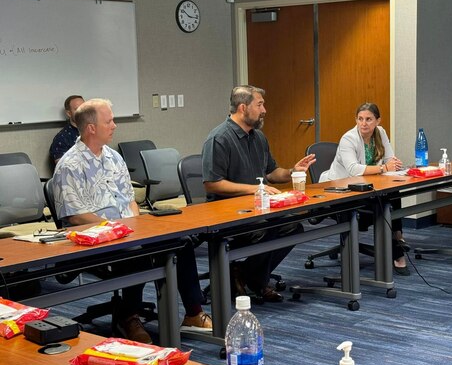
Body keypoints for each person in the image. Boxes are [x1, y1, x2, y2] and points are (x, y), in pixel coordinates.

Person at [52, 98, 212, 343]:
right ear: (91, 128)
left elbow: (130, 201)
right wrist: (116, 229)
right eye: (109, 121)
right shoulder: (69, 165)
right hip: (93, 240)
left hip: (126, 231)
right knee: (136, 253)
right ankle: (128, 318)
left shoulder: (114, 158)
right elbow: (74, 215)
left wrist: (138, 227)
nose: (114, 125)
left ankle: (193, 313)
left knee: (181, 242)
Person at [202, 85, 316, 302]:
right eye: (260, 105)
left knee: (293, 226)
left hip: (259, 208)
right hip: (228, 212)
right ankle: (256, 280)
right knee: (266, 229)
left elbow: (272, 173)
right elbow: (212, 184)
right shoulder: (219, 139)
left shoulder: (258, 138)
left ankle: (247, 276)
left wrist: (293, 171)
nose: (264, 110)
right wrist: (254, 188)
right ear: (243, 108)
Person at [320, 102, 410, 275]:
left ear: (377, 121)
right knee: (383, 202)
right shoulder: (349, 138)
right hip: (340, 189)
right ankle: (397, 252)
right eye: (360, 119)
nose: (364, 123)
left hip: (366, 185)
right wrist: (385, 168)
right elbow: (354, 170)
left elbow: (390, 159)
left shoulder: (380, 132)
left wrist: (393, 166)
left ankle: (396, 235)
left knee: (394, 190)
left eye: (369, 119)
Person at [50, 95, 84, 164]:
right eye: (78, 109)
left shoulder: (94, 131)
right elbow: (63, 168)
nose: (83, 112)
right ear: (69, 113)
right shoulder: (62, 138)